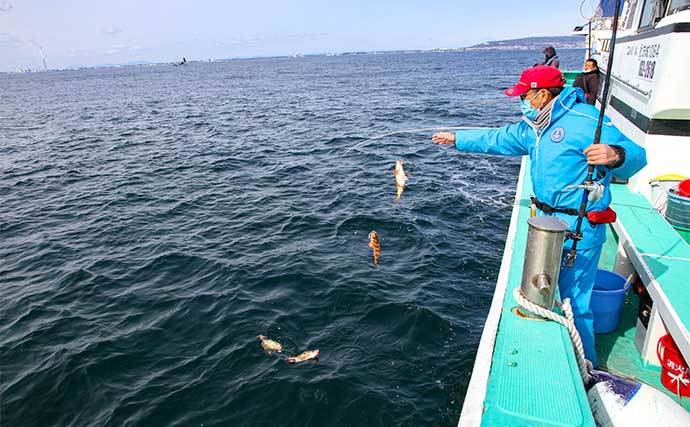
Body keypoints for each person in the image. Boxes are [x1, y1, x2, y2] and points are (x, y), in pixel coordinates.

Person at [431, 66, 646, 366]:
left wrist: (616, 156)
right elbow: (495, 138)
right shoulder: (531, 128)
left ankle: (587, 367)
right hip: (544, 227)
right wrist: (456, 138)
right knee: (539, 293)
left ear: (543, 95)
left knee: (575, 304)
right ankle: (547, 357)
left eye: (525, 96)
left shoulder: (587, 121)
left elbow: (638, 156)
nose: (521, 101)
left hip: (580, 230)